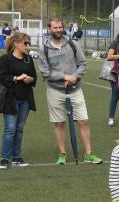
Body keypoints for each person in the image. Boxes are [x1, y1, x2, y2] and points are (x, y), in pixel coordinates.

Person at [42, 17, 103, 165]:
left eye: (60, 27)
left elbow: (83, 64)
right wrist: (64, 76)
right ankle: (62, 154)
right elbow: (45, 72)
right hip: (55, 90)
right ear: (49, 29)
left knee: (83, 121)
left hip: (75, 89)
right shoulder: (43, 47)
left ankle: (89, 154)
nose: (58, 30)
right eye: (55, 28)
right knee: (59, 123)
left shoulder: (72, 43)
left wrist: (74, 77)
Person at [0, 31, 37, 168]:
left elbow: (34, 78)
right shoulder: (5, 59)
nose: (27, 45)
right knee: (10, 129)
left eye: (28, 43)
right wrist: (16, 78)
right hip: (10, 98)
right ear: (16, 44)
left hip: (25, 98)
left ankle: (16, 157)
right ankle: (4, 158)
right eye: (25, 43)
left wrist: (30, 79)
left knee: (19, 129)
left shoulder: (28, 59)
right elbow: (1, 77)